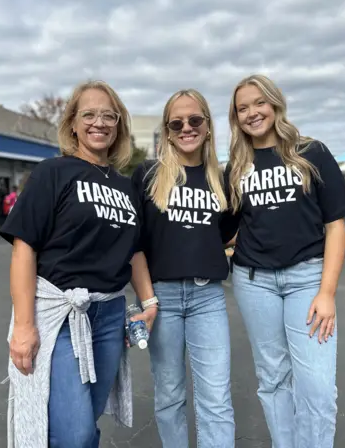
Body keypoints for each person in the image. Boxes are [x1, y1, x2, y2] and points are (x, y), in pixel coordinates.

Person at [0, 80, 158, 448]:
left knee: (88, 417)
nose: (98, 122)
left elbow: (134, 251)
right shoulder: (52, 173)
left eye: (108, 115)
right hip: (60, 315)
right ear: (72, 122)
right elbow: (24, 247)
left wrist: (149, 303)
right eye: (89, 114)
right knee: (76, 432)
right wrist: (23, 326)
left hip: (109, 315)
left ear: (118, 125)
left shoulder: (125, 186)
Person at [224, 74, 345, 448]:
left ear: (275, 103)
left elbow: (335, 225)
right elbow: (226, 227)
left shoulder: (310, 152)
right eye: (242, 108)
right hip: (254, 282)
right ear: (236, 117)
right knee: (273, 380)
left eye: (258, 103)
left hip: (307, 279)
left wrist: (327, 292)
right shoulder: (237, 164)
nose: (252, 113)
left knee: (316, 385)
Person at [131, 89, 235, 447]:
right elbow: (136, 246)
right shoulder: (147, 175)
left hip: (209, 297)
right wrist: (148, 301)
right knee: (170, 395)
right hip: (164, 299)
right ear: (167, 130)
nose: (186, 128)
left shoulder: (220, 180)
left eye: (195, 120)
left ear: (207, 125)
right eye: (177, 123)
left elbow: (221, 235)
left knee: (216, 398)